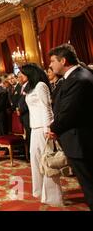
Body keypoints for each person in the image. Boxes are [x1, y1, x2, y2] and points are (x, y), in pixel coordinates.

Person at [48, 44, 93, 211]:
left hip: (80, 139)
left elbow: (68, 111)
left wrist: (53, 128)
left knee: (89, 184)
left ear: (63, 60)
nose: (50, 65)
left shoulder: (79, 79)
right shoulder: (74, 76)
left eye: (52, 61)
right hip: (77, 138)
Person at [20, 63, 63, 207]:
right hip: (34, 128)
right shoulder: (30, 87)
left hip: (43, 129)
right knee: (36, 160)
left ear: (30, 73)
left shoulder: (41, 86)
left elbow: (47, 109)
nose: (21, 76)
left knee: (47, 162)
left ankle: (52, 196)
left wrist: (48, 129)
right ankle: (39, 191)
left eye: (23, 73)